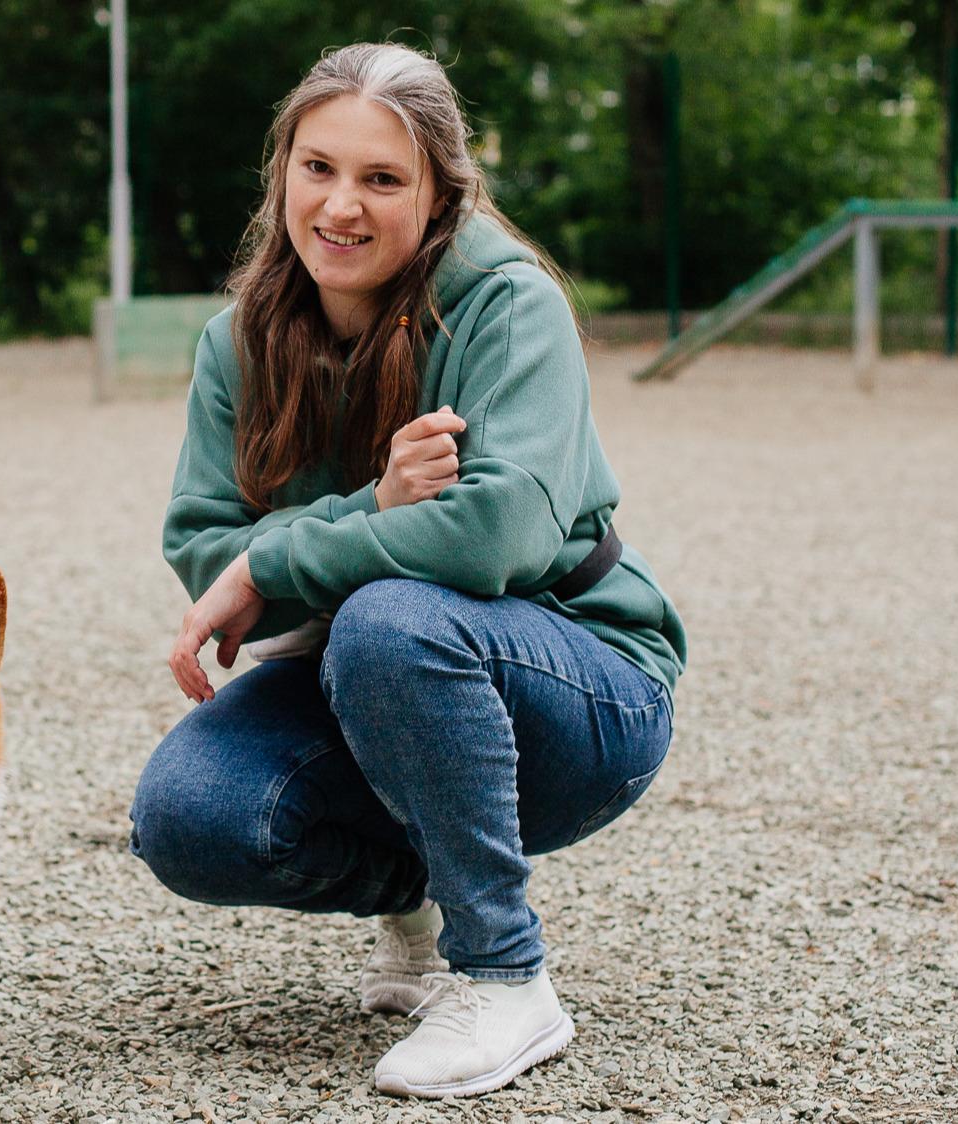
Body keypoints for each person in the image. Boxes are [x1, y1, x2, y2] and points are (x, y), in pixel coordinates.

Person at [128, 42, 688, 1100]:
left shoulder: (509, 305)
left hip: (582, 686)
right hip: (383, 681)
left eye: (382, 178)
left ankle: (506, 975)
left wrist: (290, 549)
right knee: (188, 816)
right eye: (317, 167)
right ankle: (419, 896)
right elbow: (206, 550)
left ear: (437, 196)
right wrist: (375, 507)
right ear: (280, 172)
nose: (341, 205)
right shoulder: (233, 341)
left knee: (393, 616)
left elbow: (496, 539)